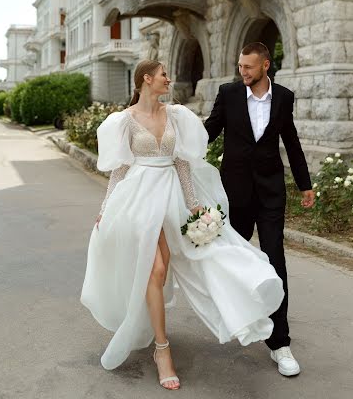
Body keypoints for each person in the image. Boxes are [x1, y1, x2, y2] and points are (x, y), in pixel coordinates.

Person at [81, 59, 284, 390]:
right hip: (139, 198)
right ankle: (163, 351)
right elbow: (119, 169)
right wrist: (106, 208)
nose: (169, 79)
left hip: (172, 196)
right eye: (163, 75)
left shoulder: (175, 115)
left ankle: (161, 319)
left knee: (196, 259)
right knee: (155, 269)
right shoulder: (124, 121)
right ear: (146, 79)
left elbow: (182, 163)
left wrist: (194, 207)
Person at [204, 42, 315, 377]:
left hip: (270, 193)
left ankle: (280, 344)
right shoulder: (229, 94)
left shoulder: (283, 97)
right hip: (235, 194)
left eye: (248, 67)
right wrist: (176, 146)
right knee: (233, 260)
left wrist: (305, 183)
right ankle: (241, 317)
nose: (242, 72)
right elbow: (209, 131)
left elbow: (291, 142)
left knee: (274, 260)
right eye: (240, 66)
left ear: (265, 65)